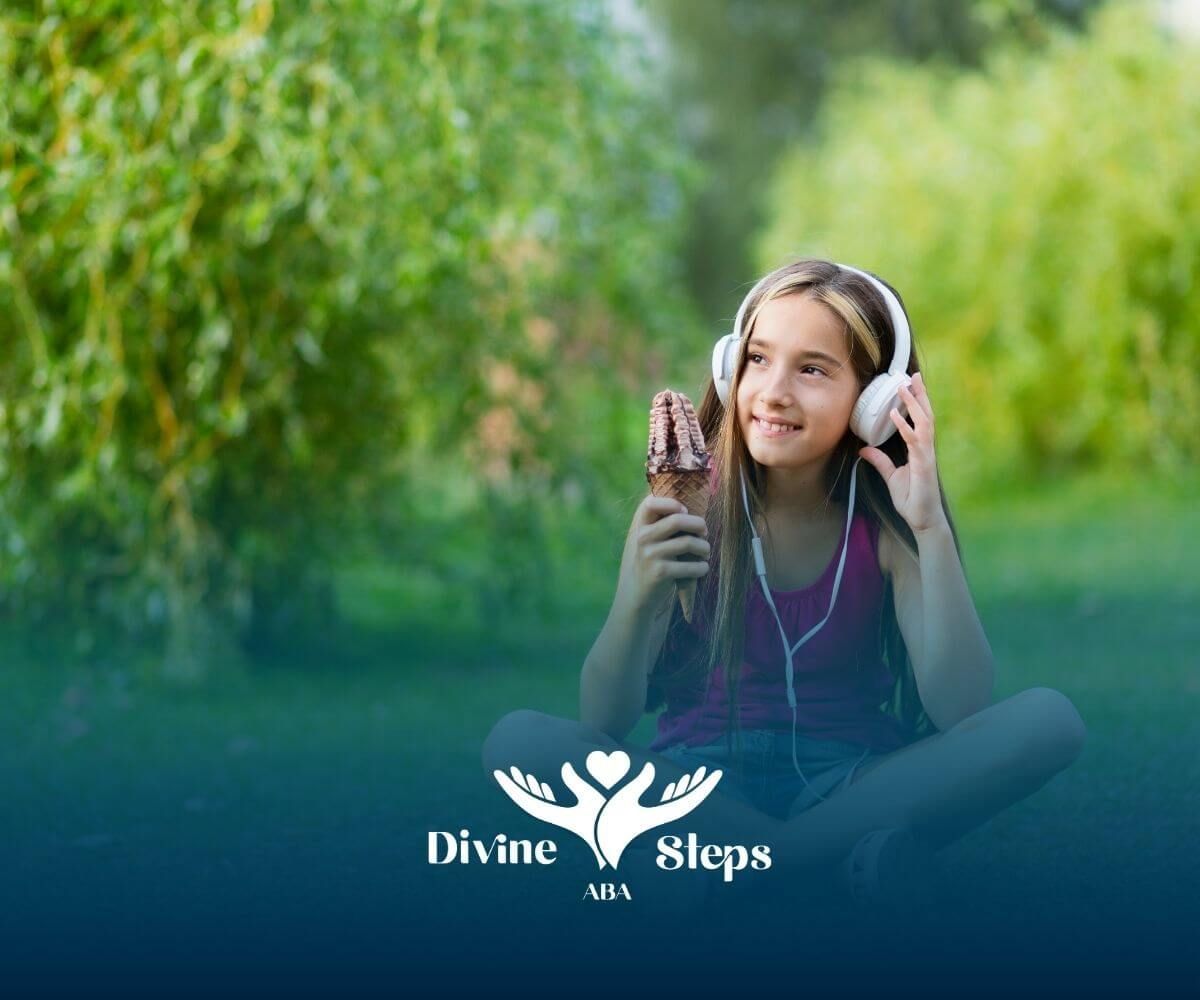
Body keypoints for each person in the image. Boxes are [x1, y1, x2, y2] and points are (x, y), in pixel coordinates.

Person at [481, 257, 1086, 902]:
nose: (773, 391)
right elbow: (603, 718)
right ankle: (822, 862)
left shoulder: (885, 525)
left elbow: (961, 706)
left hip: (851, 780)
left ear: (876, 402)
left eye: (812, 369)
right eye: (758, 359)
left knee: (1051, 720)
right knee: (514, 741)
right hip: (696, 784)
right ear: (728, 369)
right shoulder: (689, 511)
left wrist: (931, 531)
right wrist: (638, 594)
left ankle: (749, 866)